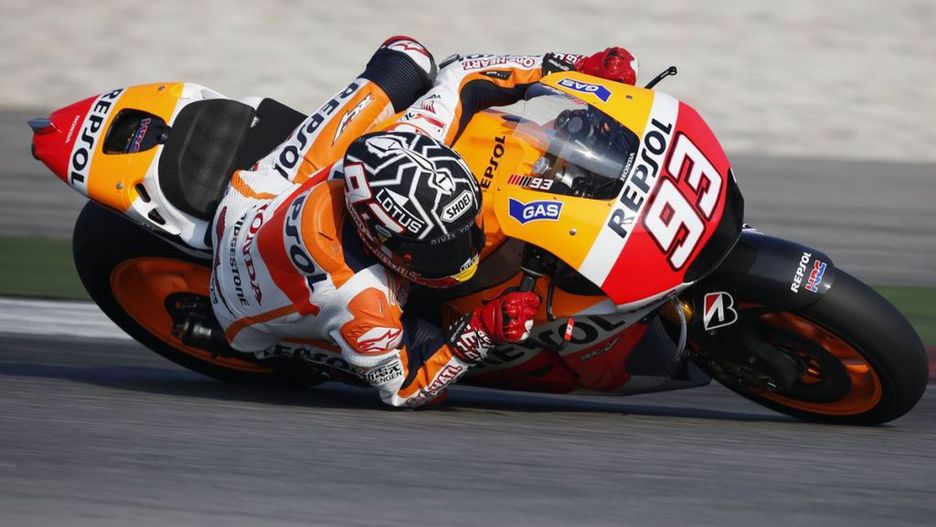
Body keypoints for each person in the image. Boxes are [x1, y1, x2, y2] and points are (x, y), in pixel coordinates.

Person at [204, 37, 638, 407]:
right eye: (441, 251)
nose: (466, 253)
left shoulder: (413, 135)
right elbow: (404, 389)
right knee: (430, 337)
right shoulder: (361, 300)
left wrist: (572, 68)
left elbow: (462, 75)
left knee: (407, 57)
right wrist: (481, 330)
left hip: (271, 188)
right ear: (382, 244)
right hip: (241, 296)